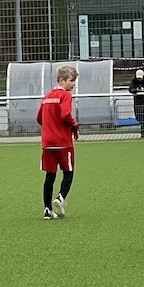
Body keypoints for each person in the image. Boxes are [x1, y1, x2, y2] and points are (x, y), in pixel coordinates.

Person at [37, 64, 80, 219]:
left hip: (47, 142)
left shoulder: (47, 96)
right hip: (62, 141)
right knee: (68, 172)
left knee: (50, 176)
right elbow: (65, 114)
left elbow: (39, 118)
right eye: (71, 80)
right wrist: (74, 127)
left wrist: (50, 127)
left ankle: (47, 209)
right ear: (62, 80)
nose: (73, 84)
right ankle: (60, 197)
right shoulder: (65, 95)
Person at [129, 68, 144, 138]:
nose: (139, 79)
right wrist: (136, 90)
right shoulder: (133, 81)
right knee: (138, 117)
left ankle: (143, 133)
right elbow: (130, 89)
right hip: (137, 102)